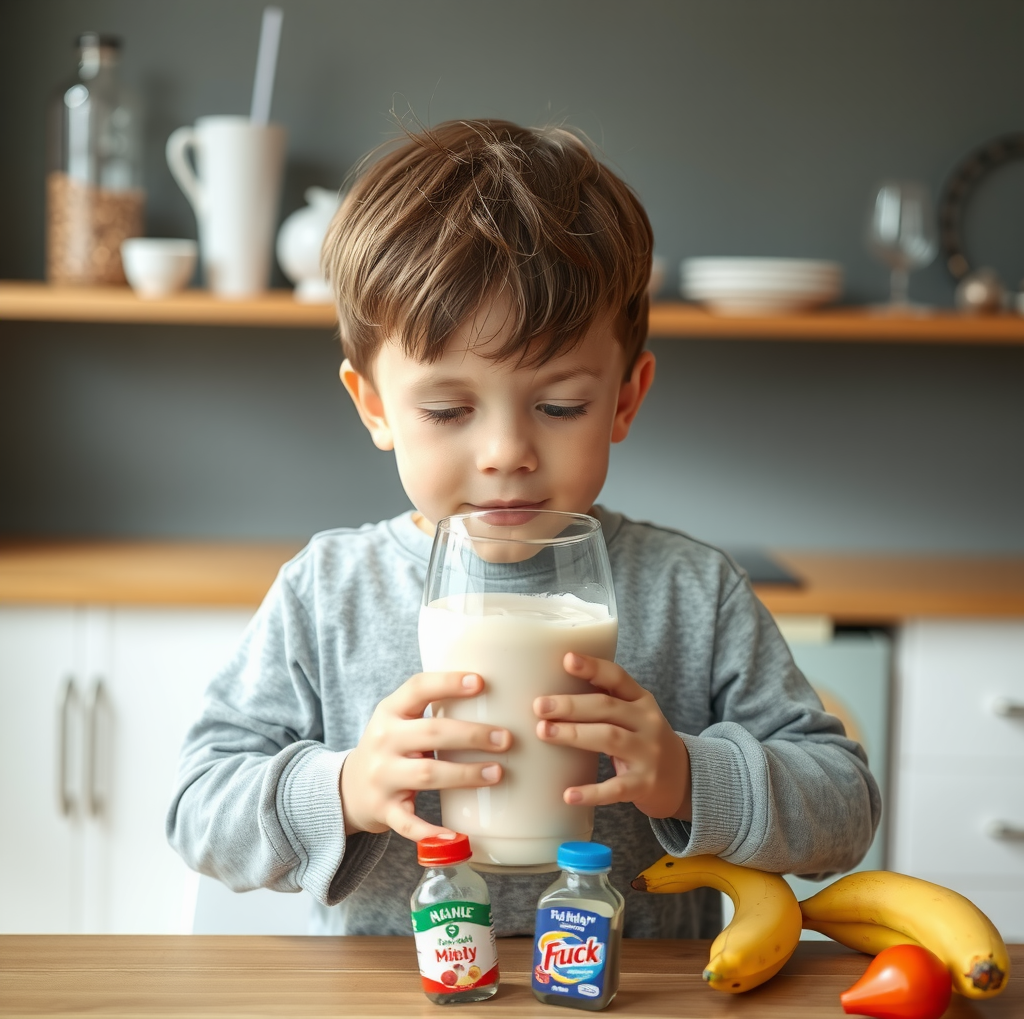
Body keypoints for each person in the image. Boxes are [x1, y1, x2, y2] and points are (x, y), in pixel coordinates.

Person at [167, 119, 880, 938]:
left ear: (624, 399)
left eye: (559, 406)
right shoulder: (330, 592)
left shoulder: (693, 591)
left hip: (638, 996)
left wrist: (688, 775)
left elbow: (845, 811)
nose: (506, 453)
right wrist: (349, 787)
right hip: (402, 998)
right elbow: (198, 811)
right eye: (447, 409)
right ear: (374, 405)